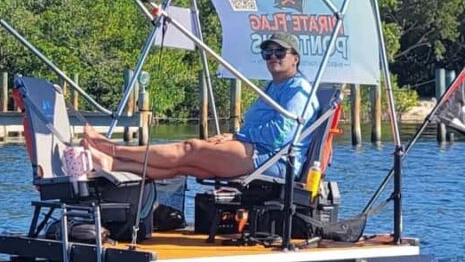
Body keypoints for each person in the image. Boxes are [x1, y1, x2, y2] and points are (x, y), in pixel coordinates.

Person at [83, 33, 319, 179]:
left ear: (295, 58)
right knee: (184, 166)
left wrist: (238, 136)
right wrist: (236, 137)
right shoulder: (274, 86)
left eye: (280, 52)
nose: (273, 57)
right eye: (268, 52)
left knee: (189, 148)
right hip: (254, 149)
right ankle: (112, 164)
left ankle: (110, 148)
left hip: (272, 160)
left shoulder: (298, 90)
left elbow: (280, 135)